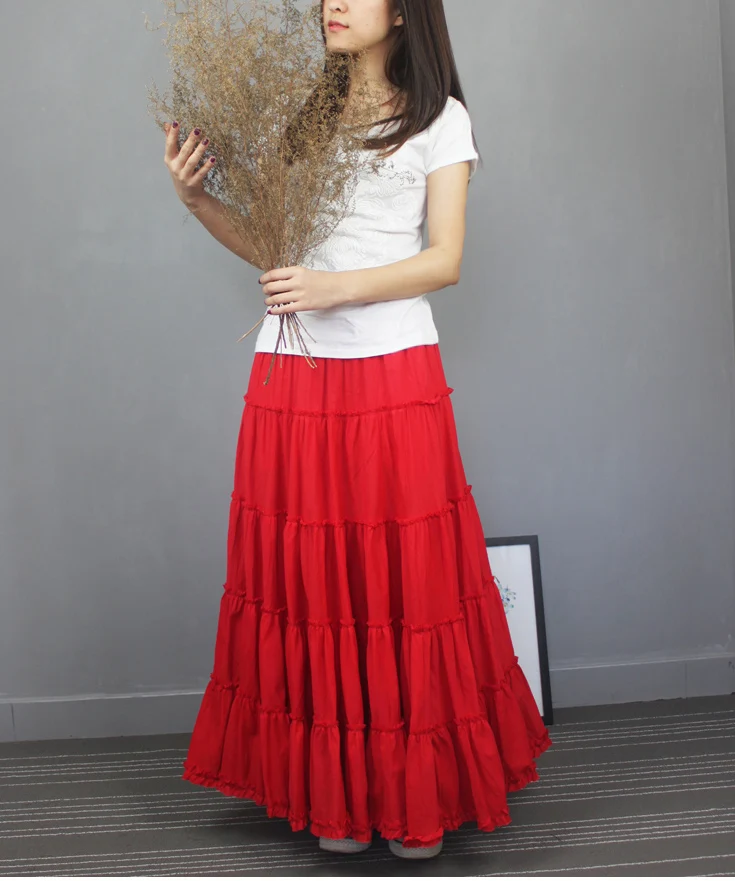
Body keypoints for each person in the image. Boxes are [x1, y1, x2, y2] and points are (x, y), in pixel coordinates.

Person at [165, 0, 553, 861]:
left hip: (391, 372)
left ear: (406, 13)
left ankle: (414, 795)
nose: (332, 2)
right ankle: (331, 797)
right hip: (291, 372)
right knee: (307, 585)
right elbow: (274, 251)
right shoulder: (295, 114)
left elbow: (444, 259)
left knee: (402, 585)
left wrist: (334, 288)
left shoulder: (441, 120)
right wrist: (196, 200)